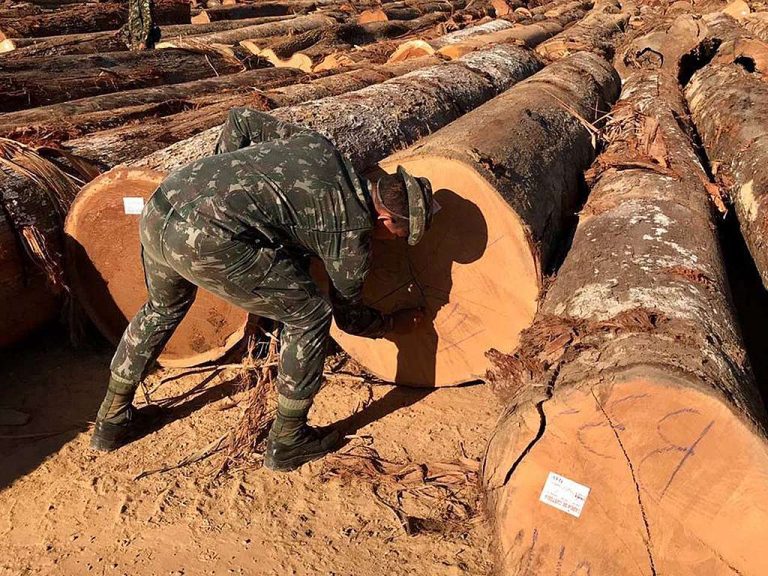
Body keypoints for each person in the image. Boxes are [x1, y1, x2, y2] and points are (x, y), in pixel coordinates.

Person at [90, 108, 436, 472]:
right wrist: (392, 324)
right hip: (207, 240)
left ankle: (112, 419)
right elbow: (348, 317)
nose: (398, 242)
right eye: (403, 235)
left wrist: (221, 186)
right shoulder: (350, 238)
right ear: (386, 220)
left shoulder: (322, 148)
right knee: (310, 314)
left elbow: (242, 120)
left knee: (162, 308)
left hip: (165, 201)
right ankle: (289, 439)